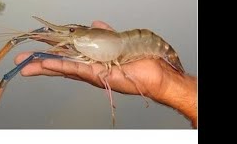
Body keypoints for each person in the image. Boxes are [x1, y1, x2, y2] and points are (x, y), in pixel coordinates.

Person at [15, 21, 197, 129]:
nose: (70, 34)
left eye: (72, 31)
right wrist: (167, 85)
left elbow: (106, 73)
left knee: (102, 76)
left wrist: (165, 84)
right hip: (133, 43)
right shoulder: (84, 39)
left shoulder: (135, 45)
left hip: (150, 44)